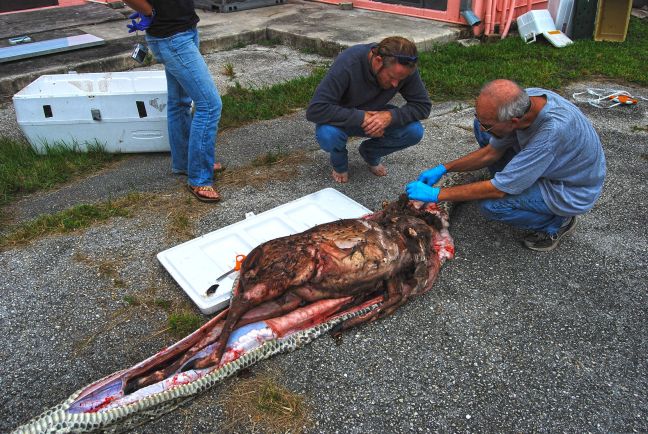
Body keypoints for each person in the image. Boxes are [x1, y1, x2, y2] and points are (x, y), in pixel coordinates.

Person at [406, 79, 606, 252]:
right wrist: (444, 168)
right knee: (486, 131)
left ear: (515, 120)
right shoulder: (527, 99)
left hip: (568, 187)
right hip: (549, 162)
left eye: (488, 122)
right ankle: (516, 177)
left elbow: (499, 190)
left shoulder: (551, 132)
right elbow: (492, 151)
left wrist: (436, 195)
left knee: (493, 205)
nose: (482, 125)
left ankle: (558, 222)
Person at [124, 0, 222, 202]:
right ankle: (199, 177)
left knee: (179, 102)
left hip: (184, 29)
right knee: (210, 105)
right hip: (171, 36)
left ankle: (186, 163)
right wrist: (149, 11)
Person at [306, 36, 431, 183]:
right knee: (328, 135)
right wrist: (362, 117)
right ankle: (339, 162)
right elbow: (316, 109)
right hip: (341, 119)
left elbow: (423, 106)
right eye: (392, 77)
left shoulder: (403, 68)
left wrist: (390, 116)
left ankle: (370, 152)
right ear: (378, 61)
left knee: (414, 131)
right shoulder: (348, 62)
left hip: (376, 113)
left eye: (401, 79)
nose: (396, 84)